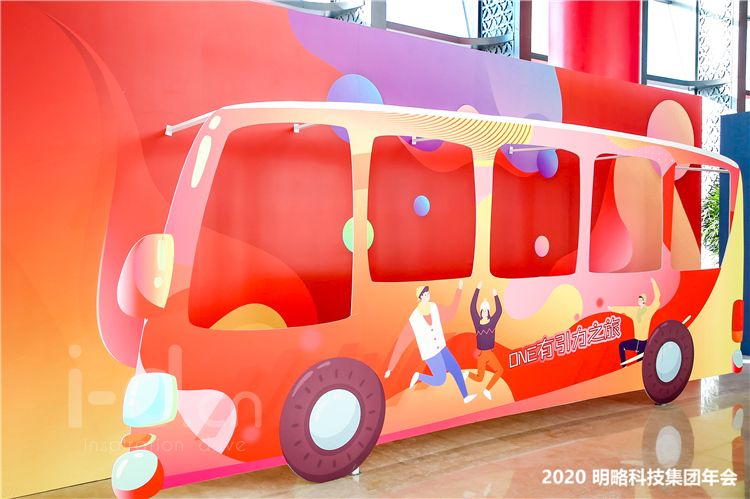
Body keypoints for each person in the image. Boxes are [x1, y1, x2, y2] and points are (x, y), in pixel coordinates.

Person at [384, 280, 477, 404]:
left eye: (428, 293)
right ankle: (419, 376)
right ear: (420, 297)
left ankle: (465, 396)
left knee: (455, 368)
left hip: (442, 347)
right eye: (425, 294)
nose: (428, 295)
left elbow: (450, 314)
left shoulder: (434, 307)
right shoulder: (414, 319)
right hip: (431, 353)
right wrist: (390, 368)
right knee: (440, 380)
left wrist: (459, 290)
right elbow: (402, 342)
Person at [609, 278, 661, 367]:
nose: (638, 301)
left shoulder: (649, 310)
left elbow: (657, 298)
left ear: (644, 301)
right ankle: (624, 366)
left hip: (643, 343)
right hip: (636, 341)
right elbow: (624, 309)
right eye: (638, 300)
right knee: (622, 345)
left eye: (640, 300)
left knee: (639, 364)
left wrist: (653, 283)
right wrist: (612, 308)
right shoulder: (635, 311)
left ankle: (628, 367)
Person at [467, 282, 503, 400]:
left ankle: (487, 390)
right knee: (479, 378)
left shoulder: (492, 322)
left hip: (490, 353)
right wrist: (477, 289)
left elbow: (499, 311)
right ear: (480, 312)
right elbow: (472, 308)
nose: (484, 313)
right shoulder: (477, 323)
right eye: (482, 311)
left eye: (486, 311)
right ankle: (467, 374)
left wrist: (495, 295)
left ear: (488, 312)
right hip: (482, 354)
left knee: (500, 370)